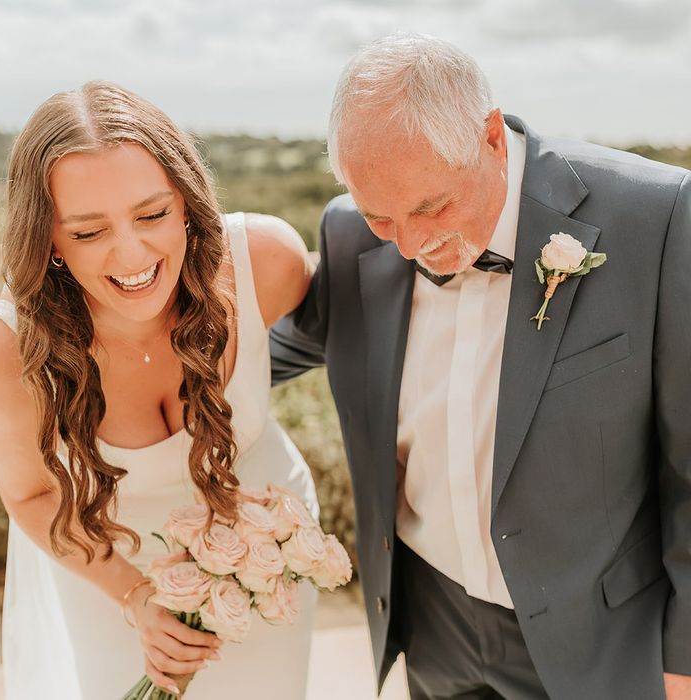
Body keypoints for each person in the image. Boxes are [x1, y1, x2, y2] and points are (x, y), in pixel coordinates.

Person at [271, 33, 691, 700]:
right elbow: (250, 356)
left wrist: (685, 661)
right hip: (432, 626)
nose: (411, 244)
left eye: (431, 207)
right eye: (382, 217)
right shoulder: (346, 233)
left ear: (491, 137)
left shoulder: (657, 218)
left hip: (599, 644)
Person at [0, 81, 318, 699]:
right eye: (88, 232)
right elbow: (29, 496)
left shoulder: (267, 262)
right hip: (103, 574)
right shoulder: (8, 357)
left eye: (152, 215)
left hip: (270, 567)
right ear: (47, 238)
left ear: (185, 200)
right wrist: (136, 596)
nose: (132, 253)